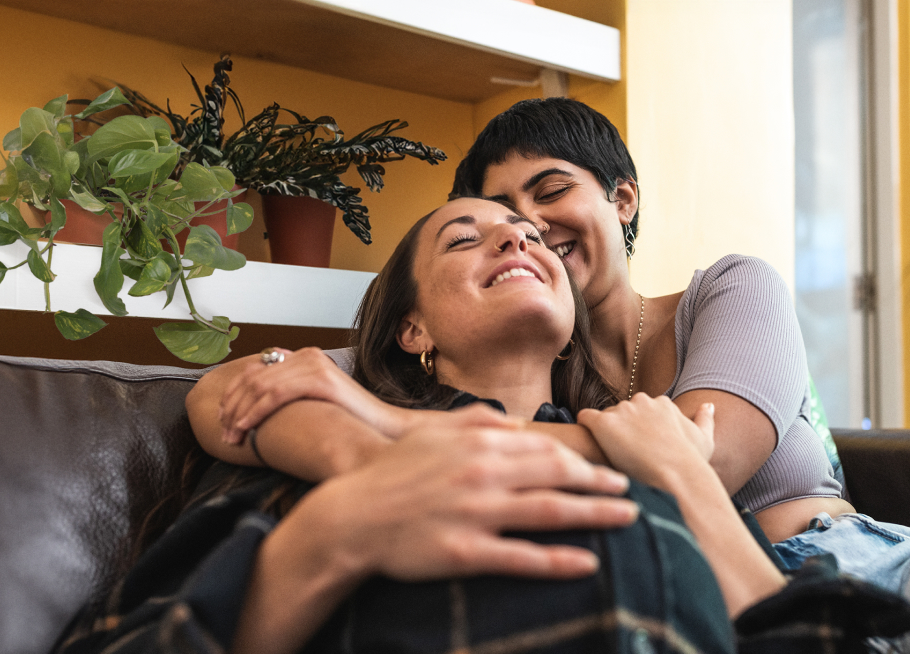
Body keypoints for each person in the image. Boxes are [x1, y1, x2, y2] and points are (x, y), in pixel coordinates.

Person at [17, 199, 910, 654]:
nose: (520, 240)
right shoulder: (301, 438)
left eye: (533, 233)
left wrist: (685, 487)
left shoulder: (646, 448)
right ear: (413, 330)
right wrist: (331, 535)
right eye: (467, 237)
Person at [206, 98, 852, 547]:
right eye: (495, 216)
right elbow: (222, 393)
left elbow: (700, 465)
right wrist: (363, 448)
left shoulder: (731, 289)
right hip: (689, 611)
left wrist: (397, 427)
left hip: (838, 566)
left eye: (549, 193)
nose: (528, 231)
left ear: (621, 199)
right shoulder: (509, 357)